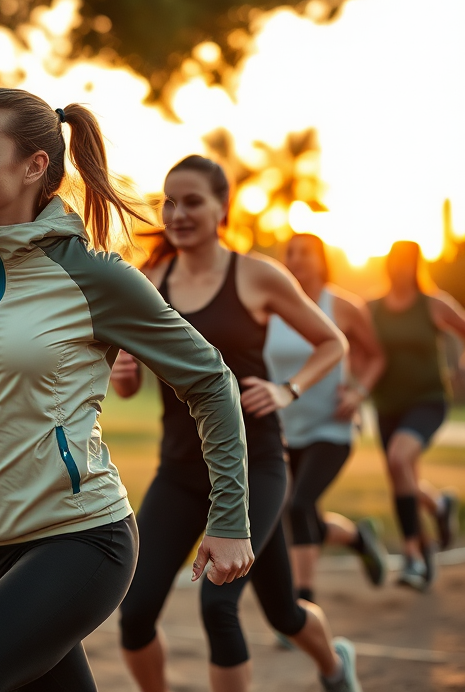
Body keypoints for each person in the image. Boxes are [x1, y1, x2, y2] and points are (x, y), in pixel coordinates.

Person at [0, 89, 255, 692]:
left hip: (79, 539)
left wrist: (228, 519)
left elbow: (210, 381)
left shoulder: (94, 275)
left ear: (35, 165)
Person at [114, 156, 360, 692]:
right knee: (134, 616)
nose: (178, 214)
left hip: (256, 468)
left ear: (222, 207)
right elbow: (129, 384)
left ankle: (335, 669)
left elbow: (332, 342)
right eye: (169, 202)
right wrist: (124, 372)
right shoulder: (150, 282)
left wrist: (286, 389)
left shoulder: (256, 275)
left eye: (193, 201)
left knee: (226, 607)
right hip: (180, 471)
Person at [264, 232, 388, 602]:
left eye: (306, 253)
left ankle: (302, 601)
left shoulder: (344, 307)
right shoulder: (271, 307)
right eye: (291, 253)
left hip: (331, 427)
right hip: (286, 430)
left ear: (322, 259)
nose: (297, 259)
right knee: (296, 512)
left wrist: (359, 391)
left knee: (298, 506)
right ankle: (357, 537)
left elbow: (374, 355)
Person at [369, 240, 465, 590]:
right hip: (386, 403)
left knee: (398, 458)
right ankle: (438, 511)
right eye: (395, 261)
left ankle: (410, 557)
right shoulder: (373, 308)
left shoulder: (433, 304)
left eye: (407, 262)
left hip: (428, 400)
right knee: (402, 477)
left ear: (416, 265)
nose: (400, 268)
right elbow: (359, 346)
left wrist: (461, 367)